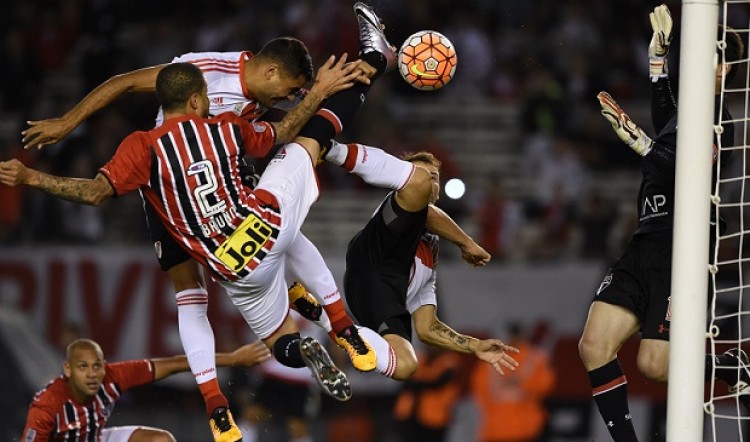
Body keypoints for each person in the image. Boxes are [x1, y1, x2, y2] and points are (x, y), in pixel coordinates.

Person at [2, 7, 394, 437]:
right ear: (197, 99)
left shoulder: (143, 145)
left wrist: (31, 177)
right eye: (290, 91)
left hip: (186, 211)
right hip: (238, 202)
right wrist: (327, 90)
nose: (289, 99)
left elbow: (95, 192)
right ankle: (336, 322)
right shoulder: (219, 110)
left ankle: (216, 405)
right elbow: (282, 132)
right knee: (309, 150)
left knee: (194, 298)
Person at [578, 5, 747, 441]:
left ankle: (728, 367)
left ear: (723, 68)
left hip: (684, 247)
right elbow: (667, 123)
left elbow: (685, 168)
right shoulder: (688, 112)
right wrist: (658, 63)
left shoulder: (720, 120)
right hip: (646, 238)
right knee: (593, 345)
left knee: (654, 365)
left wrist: (638, 142)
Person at [316, 141, 520, 380]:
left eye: (434, 177)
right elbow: (427, 214)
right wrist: (467, 243)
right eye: (419, 174)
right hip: (371, 267)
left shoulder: (430, 249)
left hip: (385, 300)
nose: (427, 181)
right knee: (416, 200)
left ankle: (330, 322)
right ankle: (332, 148)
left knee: (406, 366)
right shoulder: (398, 205)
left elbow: (426, 328)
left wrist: (474, 346)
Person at [21, 338, 271, 442]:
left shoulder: (112, 377)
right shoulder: (48, 404)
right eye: (82, 367)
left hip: (95, 437)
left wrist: (233, 359)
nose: (92, 374)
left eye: (97, 366)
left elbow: (173, 364)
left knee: (161, 441)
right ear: (67, 369)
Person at [469, 322, 556, 442]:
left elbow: (480, 392)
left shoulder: (489, 360)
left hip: (510, 427)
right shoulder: (536, 357)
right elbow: (544, 385)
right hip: (513, 427)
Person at [392, 346, 464, 442]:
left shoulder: (450, 362)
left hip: (435, 417)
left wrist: (417, 382)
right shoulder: (421, 359)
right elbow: (406, 382)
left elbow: (437, 382)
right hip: (410, 415)